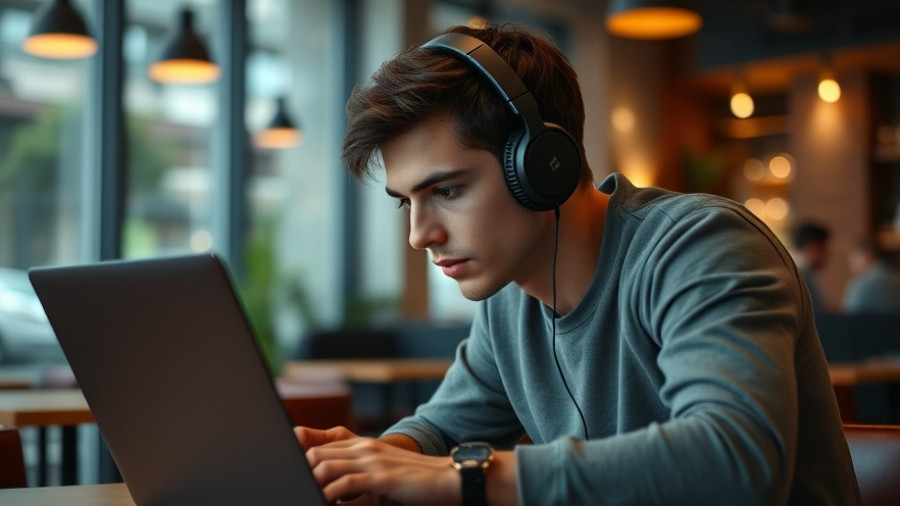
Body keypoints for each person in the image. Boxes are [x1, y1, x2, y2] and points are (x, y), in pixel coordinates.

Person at [295, 23, 860, 505]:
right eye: (406, 202)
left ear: (542, 165)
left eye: (445, 190)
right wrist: (362, 463)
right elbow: (440, 429)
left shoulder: (701, 245)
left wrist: (467, 479)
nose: (420, 235)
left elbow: (735, 461)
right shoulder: (510, 299)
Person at [843, 238, 900, 313]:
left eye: (854, 257)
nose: (850, 263)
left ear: (867, 256)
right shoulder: (896, 279)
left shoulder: (861, 284)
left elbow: (849, 319)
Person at [790, 221, 832, 316]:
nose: (828, 254)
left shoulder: (805, 274)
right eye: (825, 248)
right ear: (812, 247)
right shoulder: (800, 277)